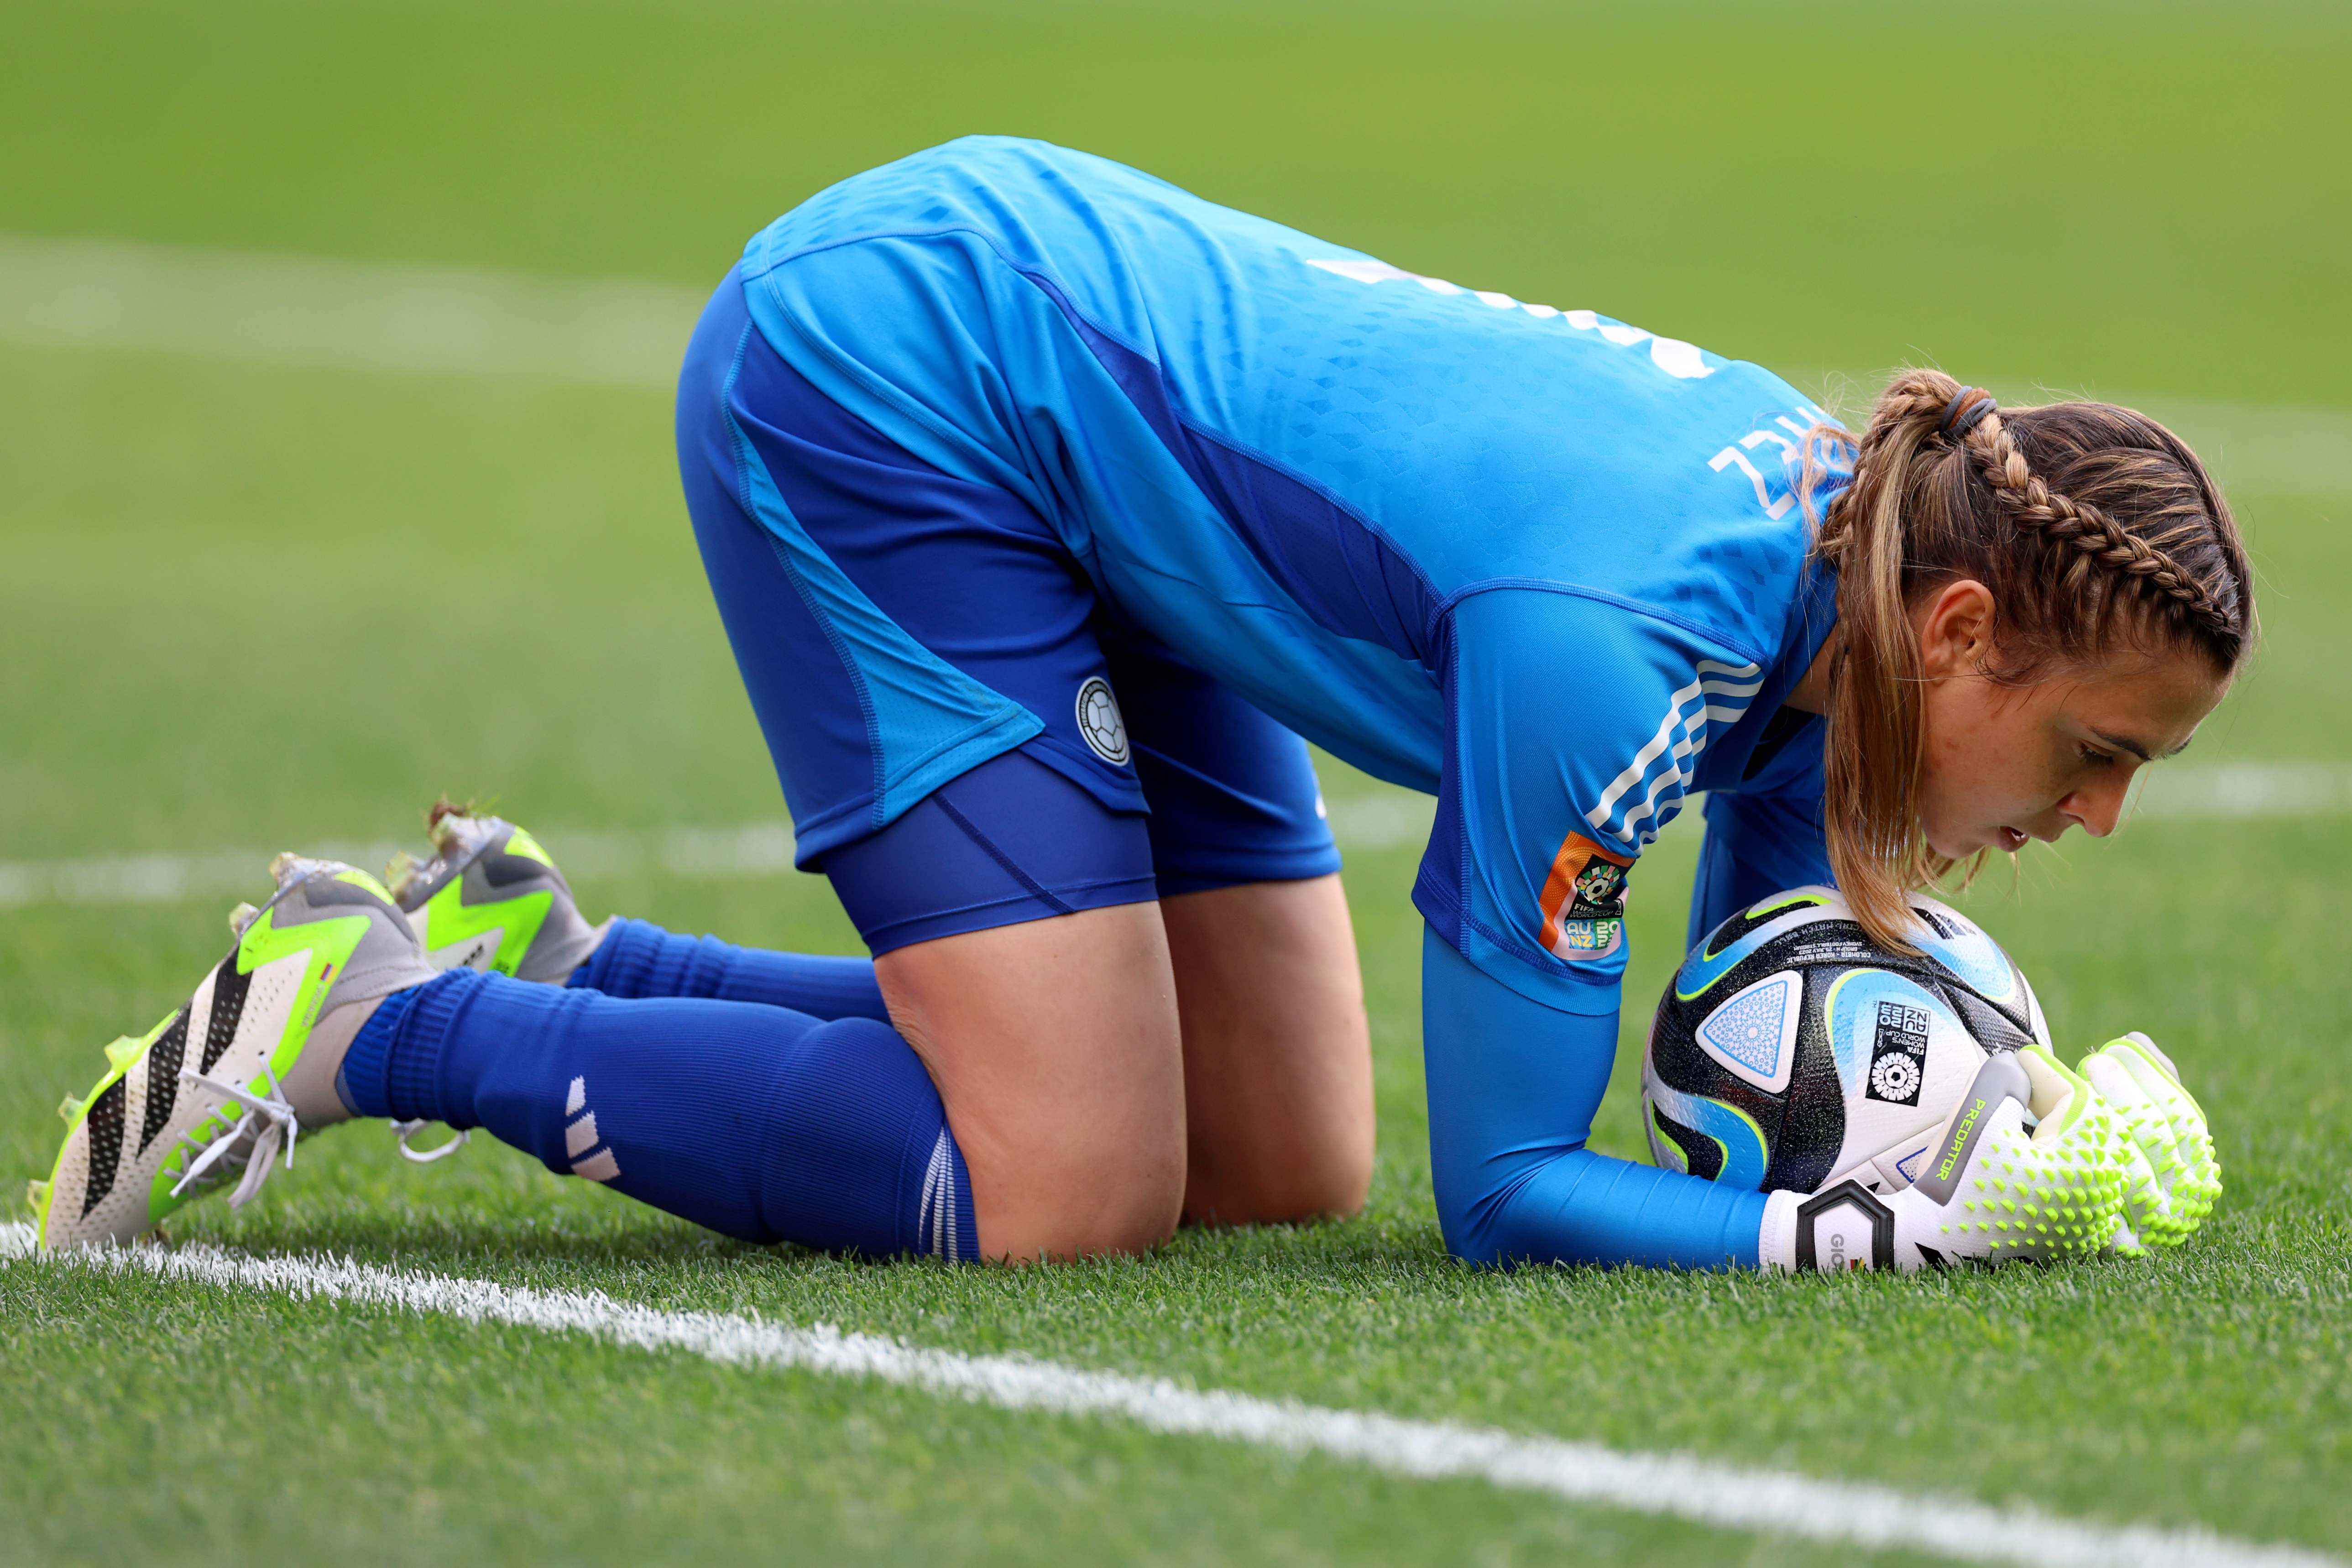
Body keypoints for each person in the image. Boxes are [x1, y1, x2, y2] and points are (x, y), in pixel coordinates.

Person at [34, 137, 2249, 1272]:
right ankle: (376, 1006)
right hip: (897, 379)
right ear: (1956, 634)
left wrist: (1957, 1105)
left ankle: (577, 960)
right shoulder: (1621, 647)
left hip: (1099, 468)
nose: (2090, 820)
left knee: (1278, 1159)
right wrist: (1857, 1229)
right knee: (1070, 1179)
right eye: (2092, 755)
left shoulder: (1836, 570)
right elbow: (1502, 1191)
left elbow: (1755, 974)